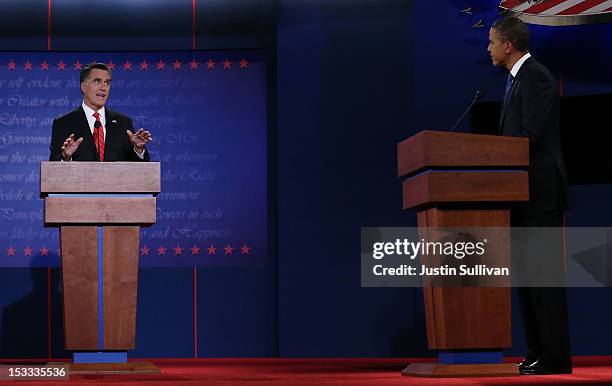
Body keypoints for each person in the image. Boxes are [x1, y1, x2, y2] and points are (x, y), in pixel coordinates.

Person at [488, 17, 572, 375]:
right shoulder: (515, 80)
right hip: (519, 193)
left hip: (539, 192)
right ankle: (537, 351)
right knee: (526, 278)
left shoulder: (536, 76)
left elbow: (531, 136)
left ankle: (554, 355)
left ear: (509, 45)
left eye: (491, 41)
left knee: (544, 278)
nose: (487, 48)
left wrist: (492, 155)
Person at [49, 62, 152, 162]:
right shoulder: (63, 123)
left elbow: (138, 169)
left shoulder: (123, 123)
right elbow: (52, 167)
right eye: (97, 81)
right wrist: (65, 158)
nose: (103, 88)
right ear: (83, 86)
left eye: (107, 82)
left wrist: (138, 149)